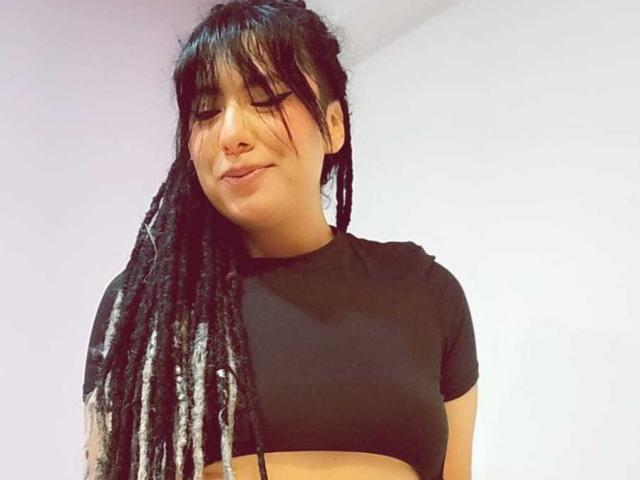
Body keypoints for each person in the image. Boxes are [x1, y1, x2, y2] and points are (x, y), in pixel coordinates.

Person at [82, 1, 480, 479]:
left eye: (267, 98)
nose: (231, 133)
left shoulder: (427, 293)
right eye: (206, 112)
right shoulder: (143, 313)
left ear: (333, 126)